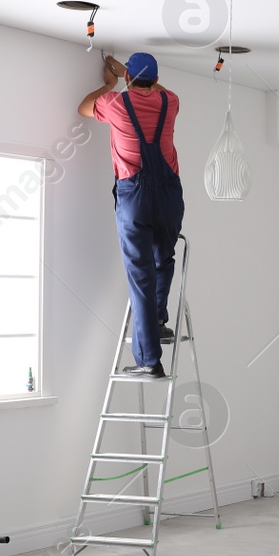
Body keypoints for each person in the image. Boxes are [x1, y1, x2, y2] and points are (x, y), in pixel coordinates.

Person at [78, 52, 183, 378]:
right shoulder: (170, 102)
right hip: (169, 195)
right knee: (163, 260)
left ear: (127, 79)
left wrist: (110, 83)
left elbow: (83, 106)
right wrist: (128, 74)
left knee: (140, 275)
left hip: (134, 196)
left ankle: (149, 360)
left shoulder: (116, 103)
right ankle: (159, 321)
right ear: (155, 78)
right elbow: (161, 91)